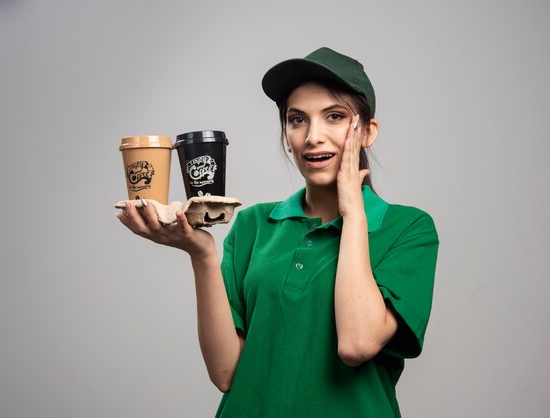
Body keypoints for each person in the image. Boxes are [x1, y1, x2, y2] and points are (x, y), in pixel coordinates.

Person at [117, 47, 439, 418]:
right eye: (297, 119)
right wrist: (201, 253)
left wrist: (353, 213)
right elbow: (225, 373)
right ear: (287, 134)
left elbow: (357, 343)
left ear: (367, 131)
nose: (312, 136)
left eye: (334, 117)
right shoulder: (254, 224)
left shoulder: (408, 229)